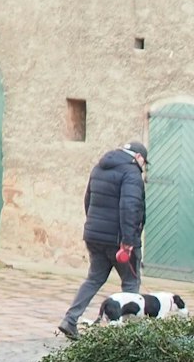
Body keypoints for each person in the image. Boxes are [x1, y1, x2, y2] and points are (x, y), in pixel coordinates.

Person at [56, 140, 148, 339]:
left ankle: (70, 320)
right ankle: (131, 334)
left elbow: (88, 200)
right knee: (131, 284)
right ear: (139, 157)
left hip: (94, 236)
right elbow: (129, 208)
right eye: (144, 163)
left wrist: (94, 227)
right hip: (119, 241)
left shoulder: (99, 168)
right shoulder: (131, 174)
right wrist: (128, 241)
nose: (143, 168)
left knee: (94, 278)